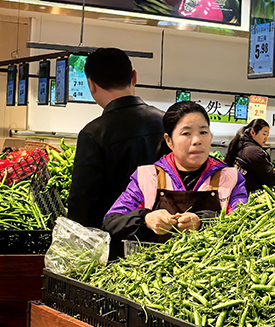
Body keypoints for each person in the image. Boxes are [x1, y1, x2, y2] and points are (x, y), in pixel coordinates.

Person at [102, 102, 247, 246]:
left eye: (203, 132)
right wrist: (145, 219)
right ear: (169, 141)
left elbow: (245, 223)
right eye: (186, 133)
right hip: (157, 267)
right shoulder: (148, 177)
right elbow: (112, 222)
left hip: (216, 267)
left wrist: (204, 222)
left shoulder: (229, 178)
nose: (197, 141)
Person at [67, 48, 164, 229]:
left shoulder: (93, 134)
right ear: (134, 77)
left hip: (114, 238)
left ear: (91, 85)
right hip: (164, 235)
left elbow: (83, 203)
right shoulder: (168, 124)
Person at [224, 118, 275, 193]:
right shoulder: (254, 152)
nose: (266, 138)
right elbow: (268, 176)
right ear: (253, 133)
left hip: (235, 190)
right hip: (246, 194)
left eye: (267, 135)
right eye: (264, 134)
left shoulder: (241, 144)